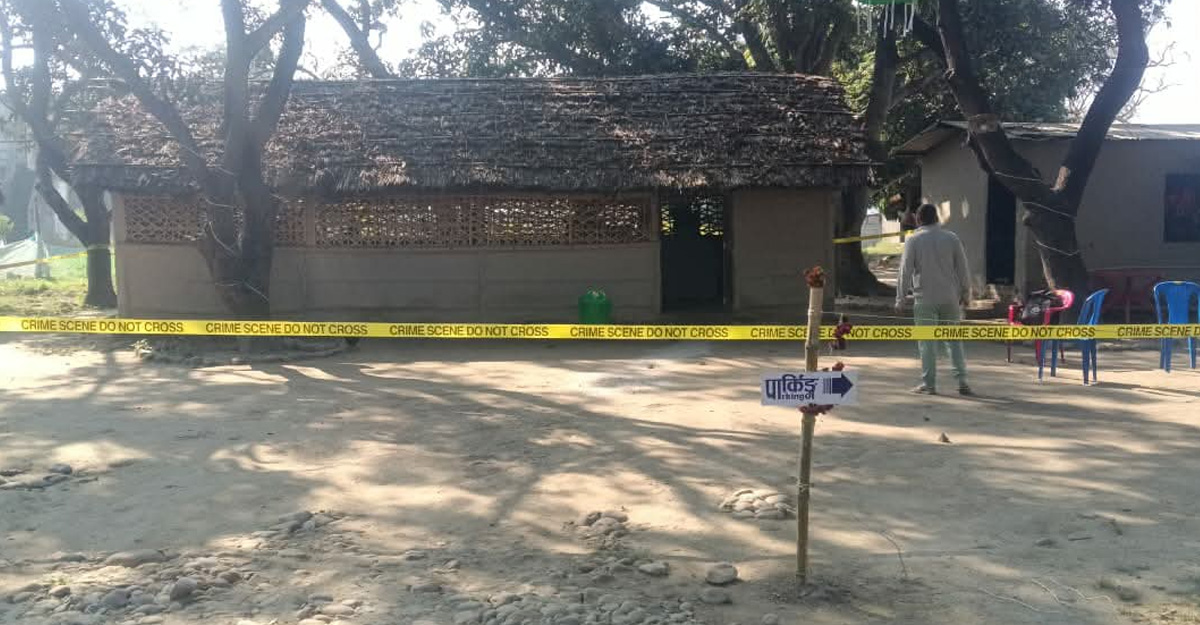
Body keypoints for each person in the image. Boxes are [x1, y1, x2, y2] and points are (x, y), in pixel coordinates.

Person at [895, 204, 973, 395]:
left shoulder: (913, 240)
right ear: (937, 218)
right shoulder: (952, 238)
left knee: (927, 343)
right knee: (953, 341)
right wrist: (966, 294)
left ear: (918, 220)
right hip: (950, 297)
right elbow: (963, 268)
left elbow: (905, 271)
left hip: (925, 299)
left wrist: (900, 298)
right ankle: (962, 381)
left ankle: (929, 384)